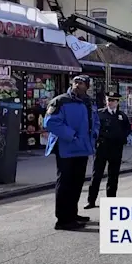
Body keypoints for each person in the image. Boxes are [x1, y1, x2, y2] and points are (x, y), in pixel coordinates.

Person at [43, 75, 100, 231]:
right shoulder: (61, 101)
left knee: (77, 183)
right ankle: (63, 220)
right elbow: (50, 123)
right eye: (75, 82)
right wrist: (71, 135)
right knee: (65, 184)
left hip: (83, 148)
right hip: (66, 148)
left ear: (87, 86)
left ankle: (72, 214)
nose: (77, 85)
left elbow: (95, 121)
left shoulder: (89, 102)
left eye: (81, 83)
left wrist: (94, 134)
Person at [84, 92, 131, 209]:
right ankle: (91, 200)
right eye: (109, 100)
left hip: (116, 148)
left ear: (117, 102)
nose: (110, 103)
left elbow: (127, 129)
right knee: (97, 175)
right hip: (102, 148)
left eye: (113, 100)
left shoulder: (122, 116)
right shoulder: (99, 114)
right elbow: (93, 129)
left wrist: (122, 138)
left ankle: (111, 200)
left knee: (113, 176)